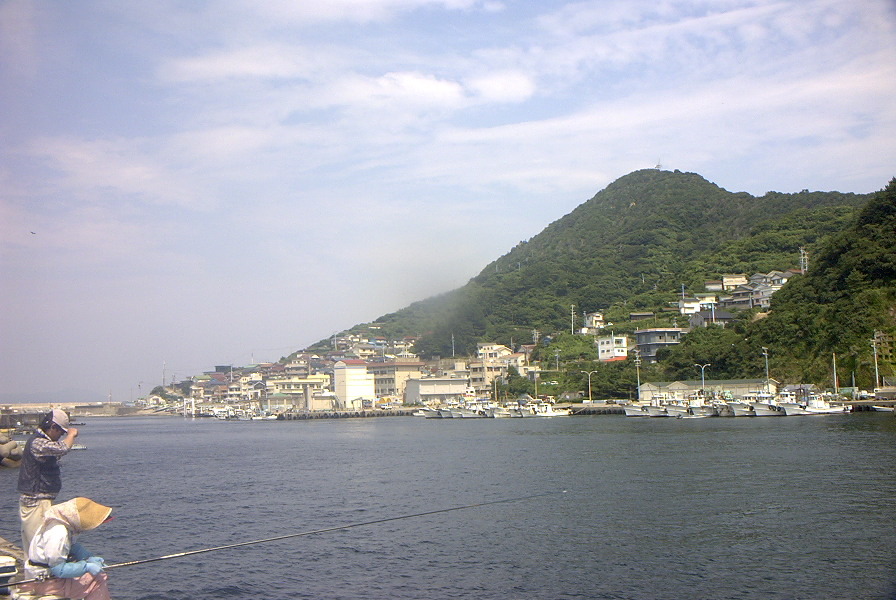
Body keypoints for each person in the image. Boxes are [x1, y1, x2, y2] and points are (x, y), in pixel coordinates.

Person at [15, 497, 112, 600]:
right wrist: (86, 567)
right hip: (46, 582)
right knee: (99, 579)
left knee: (94, 575)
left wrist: (89, 557)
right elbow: (58, 569)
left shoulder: (55, 523)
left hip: (41, 578)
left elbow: (72, 548)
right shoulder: (58, 533)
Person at [17, 409, 80, 552]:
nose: (61, 436)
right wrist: (71, 435)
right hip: (36, 502)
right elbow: (62, 448)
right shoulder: (38, 442)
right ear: (53, 427)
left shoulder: (41, 441)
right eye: (60, 432)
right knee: (38, 547)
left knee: (39, 545)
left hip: (41, 501)